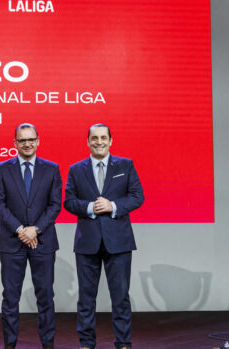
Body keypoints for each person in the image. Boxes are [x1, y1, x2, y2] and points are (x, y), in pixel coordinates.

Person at [63, 123, 144, 349]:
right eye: (94, 138)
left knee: (120, 297)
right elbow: (68, 201)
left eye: (103, 138)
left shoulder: (126, 165)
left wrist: (113, 205)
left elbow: (138, 196)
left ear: (111, 140)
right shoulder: (76, 169)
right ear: (88, 141)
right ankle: (87, 343)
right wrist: (90, 207)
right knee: (86, 299)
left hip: (118, 242)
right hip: (87, 243)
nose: (99, 142)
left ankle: (123, 343)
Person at [0, 123, 63, 349]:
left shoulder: (52, 169)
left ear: (38, 141)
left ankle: (48, 344)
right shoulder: (2, 168)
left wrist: (36, 229)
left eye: (31, 139)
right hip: (12, 242)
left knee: (45, 298)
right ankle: (10, 345)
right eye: (22, 140)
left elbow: (55, 205)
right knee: (10, 298)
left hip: (43, 241)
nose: (27, 143)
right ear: (15, 143)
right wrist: (21, 229)